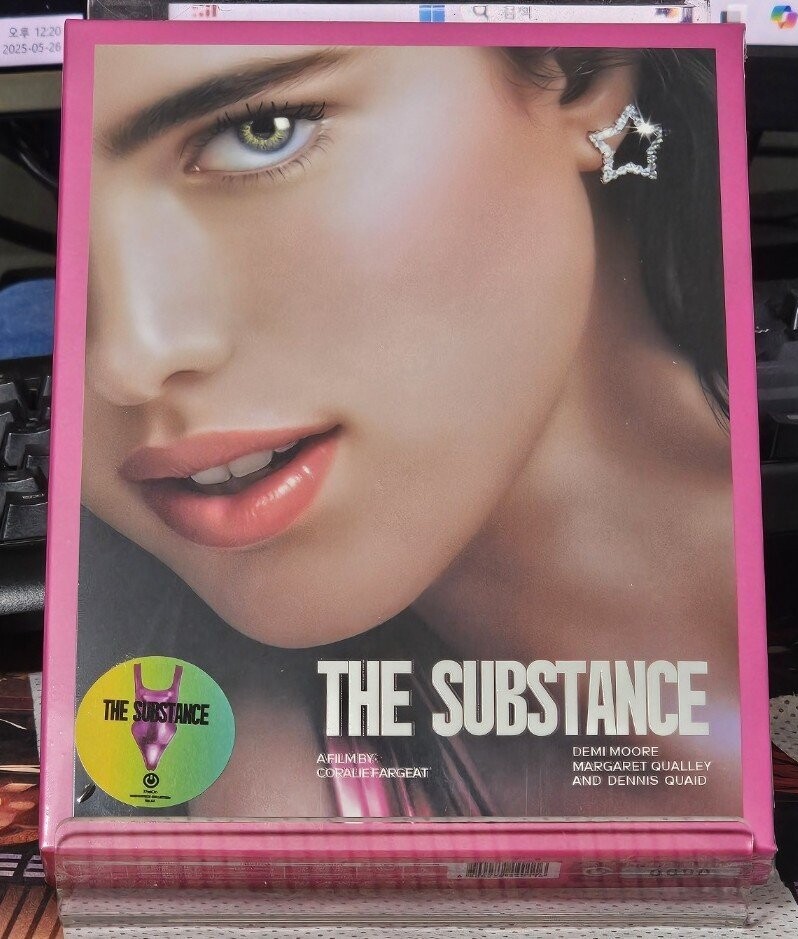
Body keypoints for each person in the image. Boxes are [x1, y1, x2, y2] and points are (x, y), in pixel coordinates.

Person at [78, 42, 740, 818]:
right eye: (53, 206)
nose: (129, 359)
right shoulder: (266, 773)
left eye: (262, 132)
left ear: (584, 81)